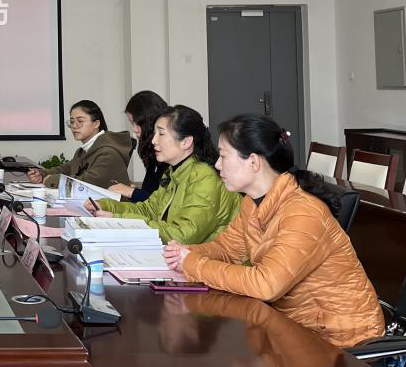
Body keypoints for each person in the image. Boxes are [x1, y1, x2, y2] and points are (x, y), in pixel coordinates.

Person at [163, 114, 384, 347]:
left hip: (342, 341)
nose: (217, 164)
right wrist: (185, 253)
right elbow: (227, 249)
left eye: (224, 156)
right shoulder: (252, 203)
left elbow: (266, 284)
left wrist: (193, 264)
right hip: (295, 331)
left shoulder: (304, 213)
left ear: (253, 162)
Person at [90, 105, 240, 244]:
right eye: (155, 133)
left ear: (186, 142)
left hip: (213, 261)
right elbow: (148, 210)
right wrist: (105, 205)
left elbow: (182, 236)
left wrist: (118, 219)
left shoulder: (205, 178)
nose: (154, 141)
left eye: (161, 133)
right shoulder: (173, 172)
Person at [27, 100, 132, 189]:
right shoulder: (82, 152)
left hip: (113, 206)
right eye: (72, 122)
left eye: (80, 121)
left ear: (96, 124)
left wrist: (52, 180)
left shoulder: (108, 153)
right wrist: (42, 174)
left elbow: (87, 183)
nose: (74, 126)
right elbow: (66, 169)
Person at [107, 90, 169, 202]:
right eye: (132, 123)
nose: (134, 130)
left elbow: (163, 205)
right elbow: (151, 195)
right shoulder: (152, 152)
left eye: (139, 123)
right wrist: (134, 191)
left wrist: (132, 192)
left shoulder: (170, 156)